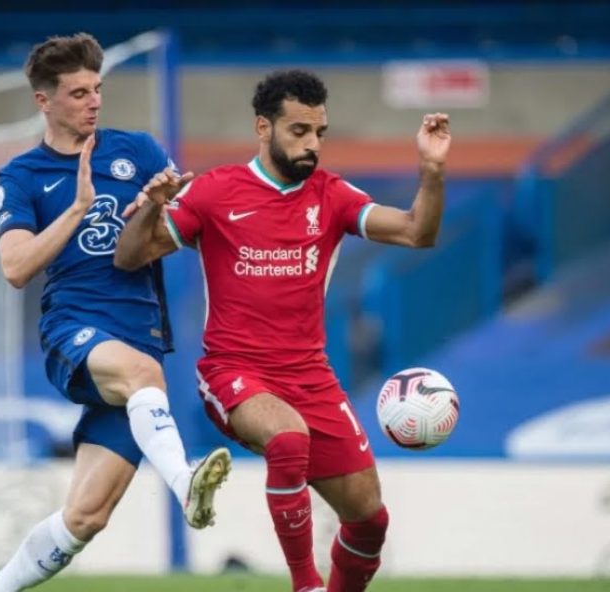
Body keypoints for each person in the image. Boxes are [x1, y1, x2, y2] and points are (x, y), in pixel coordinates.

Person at [115, 70, 450, 592]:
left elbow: (417, 232)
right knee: (288, 439)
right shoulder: (216, 190)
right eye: (298, 131)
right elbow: (130, 254)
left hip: (311, 378)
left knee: (370, 522)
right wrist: (154, 206)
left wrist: (431, 169)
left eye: (319, 132)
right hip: (234, 371)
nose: (311, 144)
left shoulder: (332, 196)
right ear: (262, 127)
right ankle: (305, 585)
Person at [0, 33, 231, 592]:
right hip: (74, 331)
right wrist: (78, 208)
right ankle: (186, 484)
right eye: (79, 92)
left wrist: (155, 208)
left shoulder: (139, 153)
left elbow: (181, 229)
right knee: (143, 376)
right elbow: (15, 267)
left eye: (97, 89)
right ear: (45, 101)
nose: (94, 101)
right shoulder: (24, 175)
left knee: (86, 518)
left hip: (140, 342)